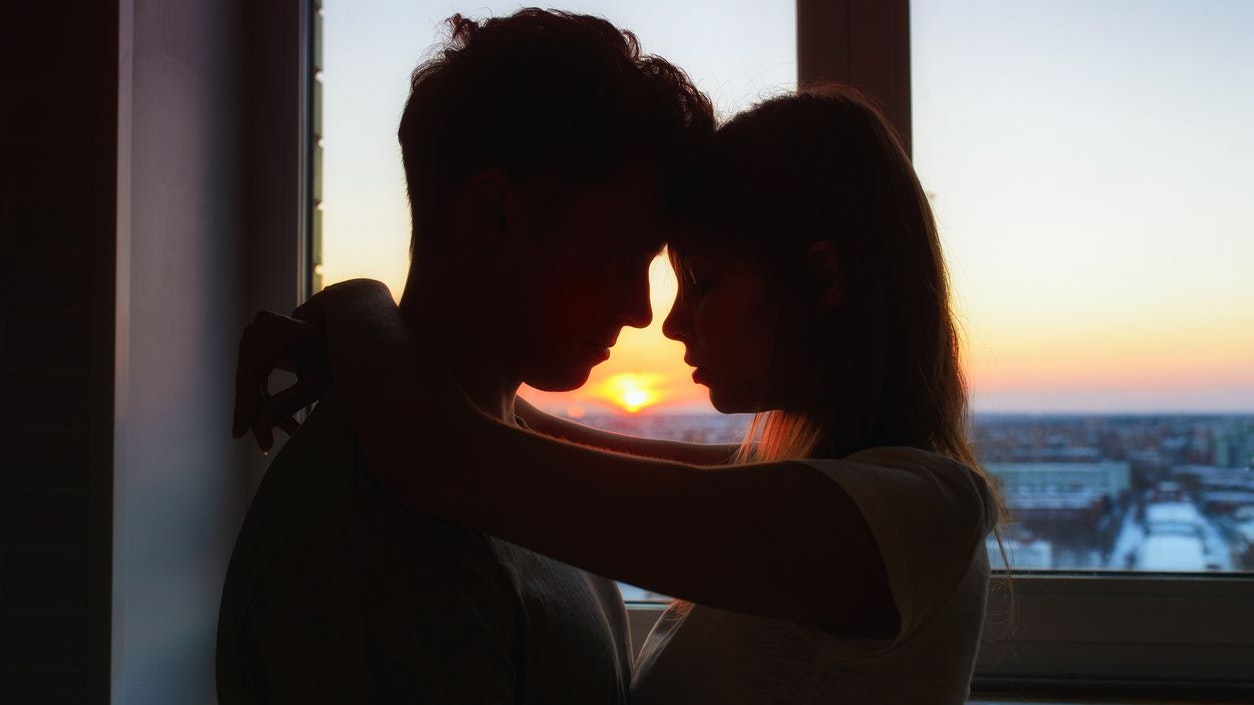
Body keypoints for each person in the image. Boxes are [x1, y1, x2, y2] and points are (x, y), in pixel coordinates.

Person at [238, 88, 1004, 704]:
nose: (663, 319)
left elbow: (449, 455)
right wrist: (377, 346)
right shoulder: (838, 494)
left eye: (702, 280)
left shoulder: (907, 515)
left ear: (824, 278)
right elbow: (526, 440)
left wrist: (355, 302)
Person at [217, 9, 714, 704]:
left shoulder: (494, 458)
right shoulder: (379, 553)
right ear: (494, 214)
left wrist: (357, 307)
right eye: (621, 258)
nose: (641, 309)